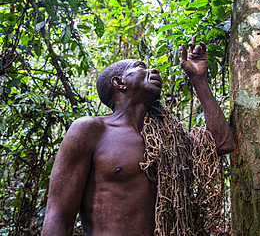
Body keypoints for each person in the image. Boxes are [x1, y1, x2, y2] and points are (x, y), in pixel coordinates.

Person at [41, 36, 235, 236]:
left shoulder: (168, 140)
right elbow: (58, 217)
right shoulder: (90, 130)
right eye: (142, 66)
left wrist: (198, 79)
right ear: (119, 82)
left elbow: (222, 143)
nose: (154, 71)